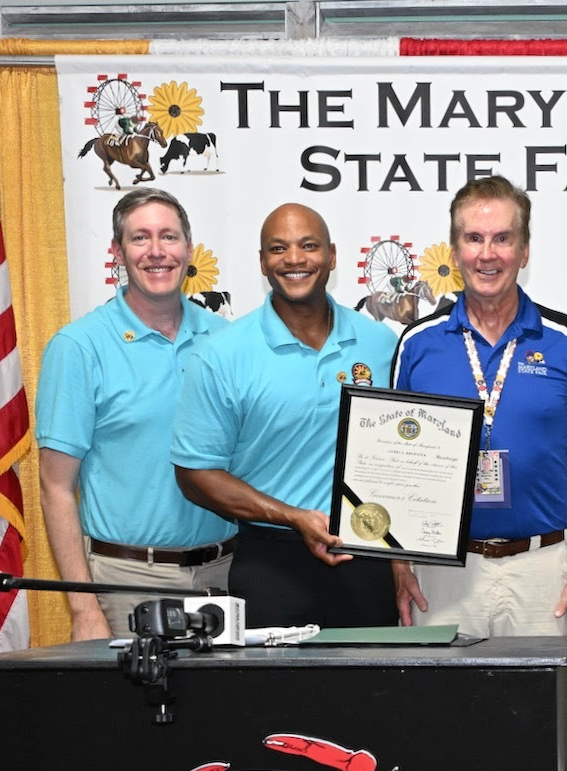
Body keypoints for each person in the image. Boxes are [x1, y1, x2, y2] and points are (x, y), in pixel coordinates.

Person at [391, 175, 567, 639]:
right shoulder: (417, 344)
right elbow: (393, 467)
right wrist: (399, 565)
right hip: (443, 572)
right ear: (454, 252)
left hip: (542, 569)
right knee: (445, 713)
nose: (488, 254)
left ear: (524, 251)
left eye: (503, 238)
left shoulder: (563, 340)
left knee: (538, 713)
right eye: (474, 238)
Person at [171, 203, 398, 628]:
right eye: (278, 248)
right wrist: (292, 517)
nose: (294, 259)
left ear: (332, 255)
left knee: (373, 694)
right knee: (271, 696)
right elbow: (194, 474)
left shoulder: (381, 343)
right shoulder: (221, 355)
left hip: (368, 560)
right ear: (262, 262)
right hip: (270, 565)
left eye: (308, 246)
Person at [36, 188, 234, 640]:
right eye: (140, 238)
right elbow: (56, 487)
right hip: (128, 583)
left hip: (224, 580)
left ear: (188, 248)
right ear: (117, 252)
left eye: (169, 236)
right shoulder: (79, 347)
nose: (157, 252)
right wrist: (84, 610)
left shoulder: (226, 340)